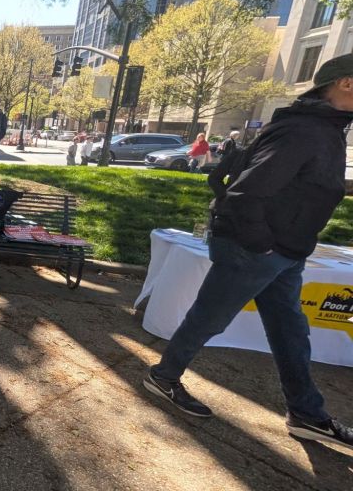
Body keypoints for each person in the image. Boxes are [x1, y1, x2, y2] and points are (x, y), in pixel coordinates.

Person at [143, 54, 353, 450]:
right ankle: (164, 376)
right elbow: (246, 193)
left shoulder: (320, 126)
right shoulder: (305, 129)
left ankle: (306, 413)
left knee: (290, 330)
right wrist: (263, 244)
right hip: (258, 247)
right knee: (210, 318)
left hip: (285, 249)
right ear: (346, 82)